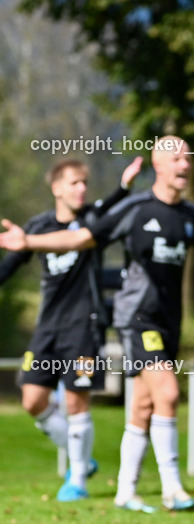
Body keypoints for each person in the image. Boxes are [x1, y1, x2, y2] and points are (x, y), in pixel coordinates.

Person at [0, 136, 194, 512]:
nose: (185, 164)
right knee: (168, 393)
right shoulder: (134, 209)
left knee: (144, 407)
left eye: (188, 158)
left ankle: (125, 492)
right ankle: (172, 489)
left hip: (168, 322)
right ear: (158, 164)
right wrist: (29, 241)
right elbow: (80, 237)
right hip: (137, 318)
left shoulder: (192, 216)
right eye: (176, 158)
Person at [0, 156, 142, 501]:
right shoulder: (38, 226)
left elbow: (111, 205)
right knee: (33, 400)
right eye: (74, 183)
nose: (81, 189)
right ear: (56, 188)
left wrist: (124, 186)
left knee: (77, 401)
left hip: (84, 325)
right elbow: (11, 263)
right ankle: (83, 459)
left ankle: (77, 478)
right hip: (48, 327)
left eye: (85, 183)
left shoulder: (92, 222)